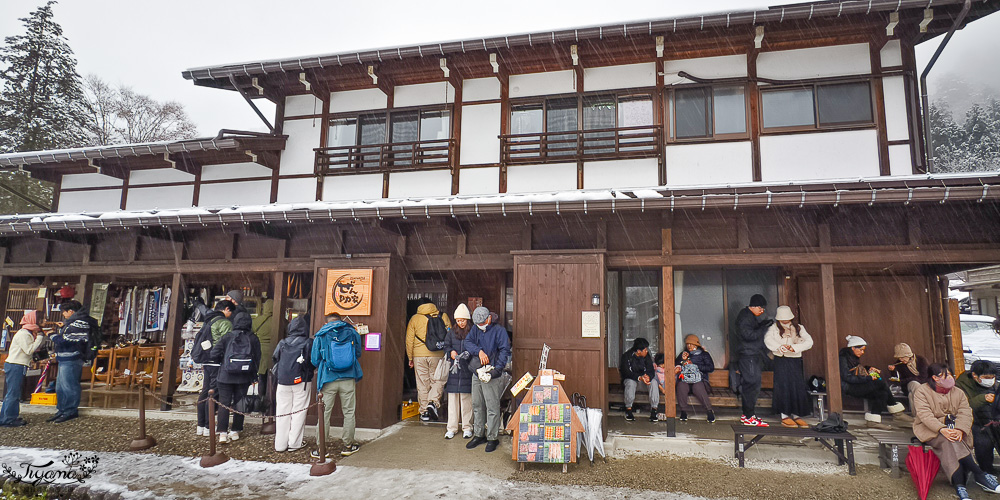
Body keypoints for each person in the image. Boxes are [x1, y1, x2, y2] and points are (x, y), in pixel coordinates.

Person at [913, 363, 1000, 499]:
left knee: (951, 442)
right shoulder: (922, 391)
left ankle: (960, 487)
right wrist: (942, 429)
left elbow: (965, 412)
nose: (949, 378)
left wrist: (960, 429)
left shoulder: (958, 392)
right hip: (930, 428)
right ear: (935, 378)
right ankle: (980, 474)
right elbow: (925, 415)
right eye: (944, 375)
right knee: (949, 439)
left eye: (950, 374)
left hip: (955, 428)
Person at [311, 313, 363, 458]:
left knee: (324, 414)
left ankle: (321, 448)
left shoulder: (321, 334)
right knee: (349, 412)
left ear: (326, 322)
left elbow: (315, 359)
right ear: (341, 321)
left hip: (328, 378)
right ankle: (348, 445)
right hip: (348, 377)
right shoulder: (352, 332)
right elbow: (357, 353)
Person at [464, 306, 511, 453]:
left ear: (489, 318)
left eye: (482, 323)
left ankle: (492, 437)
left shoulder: (499, 330)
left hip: (492, 372)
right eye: (477, 324)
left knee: (492, 406)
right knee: (477, 404)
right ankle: (479, 434)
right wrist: (479, 351)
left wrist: (497, 369)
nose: (480, 326)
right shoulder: (476, 329)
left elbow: (505, 350)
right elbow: (468, 342)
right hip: (477, 371)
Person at [210, 311, 261, 443]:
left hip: (225, 375)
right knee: (240, 403)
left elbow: (214, 353)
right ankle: (235, 431)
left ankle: (222, 433)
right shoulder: (253, 338)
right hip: (244, 376)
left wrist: (223, 361)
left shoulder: (227, 337)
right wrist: (254, 376)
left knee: (224, 403)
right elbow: (257, 359)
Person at [839, 335, 909, 429]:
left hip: (856, 384)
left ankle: (873, 422)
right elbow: (848, 377)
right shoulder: (843, 358)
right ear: (853, 348)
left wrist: (869, 368)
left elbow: (858, 369)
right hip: (849, 387)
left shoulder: (853, 356)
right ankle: (897, 412)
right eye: (861, 350)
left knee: (882, 393)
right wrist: (868, 378)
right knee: (880, 382)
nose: (862, 352)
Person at [763, 306, 814, 428]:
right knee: (783, 386)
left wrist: (795, 348)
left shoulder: (799, 328)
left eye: (787, 319)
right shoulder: (774, 328)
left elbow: (809, 341)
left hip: (795, 360)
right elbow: (767, 340)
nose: (785, 321)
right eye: (783, 319)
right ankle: (784, 415)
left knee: (797, 386)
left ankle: (797, 415)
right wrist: (779, 347)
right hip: (780, 360)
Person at [405, 298, 452, 422]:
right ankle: (433, 402)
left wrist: (410, 357)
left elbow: (409, 340)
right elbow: (450, 335)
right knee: (438, 379)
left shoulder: (415, 318)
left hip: (419, 355)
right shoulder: (443, 316)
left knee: (422, 384)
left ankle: (424, 411)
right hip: (438, 354)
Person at [49, 300, 96, 423]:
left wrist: (51, 334)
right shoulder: (73, 322)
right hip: (65, 358)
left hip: (72, 358)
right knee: (60, 386)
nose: (63, 314)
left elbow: (66, 341)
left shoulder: (80, 322)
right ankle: (62, 409)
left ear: (71, 311)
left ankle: (70, 410)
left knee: (69, 385)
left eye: (64, 312)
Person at [271, 317, 314, 452]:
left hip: (283, 381)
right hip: (302, 381)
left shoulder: (283, 342)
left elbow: (275, 358)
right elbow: (312, 362)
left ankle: (280, 444)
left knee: (282, 412)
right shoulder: (308, 342)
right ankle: (294, 443)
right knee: (299, 412)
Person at [0, 311, 47, 427]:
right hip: (16, 365)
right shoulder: (24, 334)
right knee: (13, 393)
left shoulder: (29, 333)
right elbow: (29, 350)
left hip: (17, 365)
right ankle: (9, 419)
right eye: (43, 319)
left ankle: (5, 417)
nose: (45, 321)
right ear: (35, 320)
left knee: (12, 393)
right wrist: (40, 338)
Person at [195, 300, 234, 437]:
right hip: (216, 361)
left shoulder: (209, 320)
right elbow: (226, 342)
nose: (231, 315)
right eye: (231, 312)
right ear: (227, 309)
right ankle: (208, 426)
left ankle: (200, 425)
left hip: (206, 359)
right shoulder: (224, 322)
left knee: (205, 391)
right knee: (213, 393)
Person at [734, 294, 773, 427]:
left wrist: (762, 324)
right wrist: (763, 328)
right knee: (752, 384)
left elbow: (751, 331)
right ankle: (749, 416)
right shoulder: (745, 317)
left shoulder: (748, 316)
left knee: (753, 384)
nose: (762, 312)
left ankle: (748, 415)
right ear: (754, 307)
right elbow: (748, 335)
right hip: (748, 355)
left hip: (751, 354)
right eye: (761, 309)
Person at [956, 360, 1000, 474]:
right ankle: (987, 472)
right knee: (984, 442)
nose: (990, 380)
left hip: (994, 419)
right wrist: (983, 398)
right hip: (974, 422)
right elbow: (963, 407)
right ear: (975, 375)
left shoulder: (996, 385)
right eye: (987, 377)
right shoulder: (961, 386)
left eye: (992, 377)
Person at [443, 303, 474, 439]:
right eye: (458, 320)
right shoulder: (451, 332)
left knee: (467, 401)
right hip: (454, 371)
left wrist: (469, 354)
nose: (460, 323)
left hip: (467, 370)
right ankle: (452, 428)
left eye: (463, 320)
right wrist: (451, 352)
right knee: (453, 401)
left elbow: (476, 348)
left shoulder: (473, 332)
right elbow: (446, 346)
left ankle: (467, 427)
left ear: (467, 320)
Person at [674, 334, 715, 423]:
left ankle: (709, 411)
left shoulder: (704, 354)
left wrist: (694, 365)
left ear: (696, 345)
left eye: (691, 344)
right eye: (688, 344)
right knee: (681, 386)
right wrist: (682, 361)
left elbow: (710, 368)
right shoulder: (684, 354)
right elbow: (676, 364)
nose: (689, 346)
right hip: (685, 379)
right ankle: (683, 411)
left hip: (699, 379)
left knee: (698, 387)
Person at [619, 338, 657, 422]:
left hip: (643, 382)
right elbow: (626, 372)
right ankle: (628, 409)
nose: (647, 351)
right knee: (630, 383)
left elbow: (651, 369)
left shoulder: (646, 356)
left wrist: (648, 377)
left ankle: (654, 410)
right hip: (633, 380)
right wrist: (639, 377)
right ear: (639, 351)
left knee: (653, 382)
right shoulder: (627, 356)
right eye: (645, 350)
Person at [887, 342, 929, 415]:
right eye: (899, 358)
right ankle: (923, 415)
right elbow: (897, 380)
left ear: (909, 355)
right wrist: (893, 371)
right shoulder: (899, 364)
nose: (901, 359)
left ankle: (917, 416)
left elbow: (923, 377)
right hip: (908, 386)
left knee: (911, 394)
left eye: (903, 357)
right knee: (914, 384)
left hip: (924, 385)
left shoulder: (921, 360)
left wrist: (908, 380)